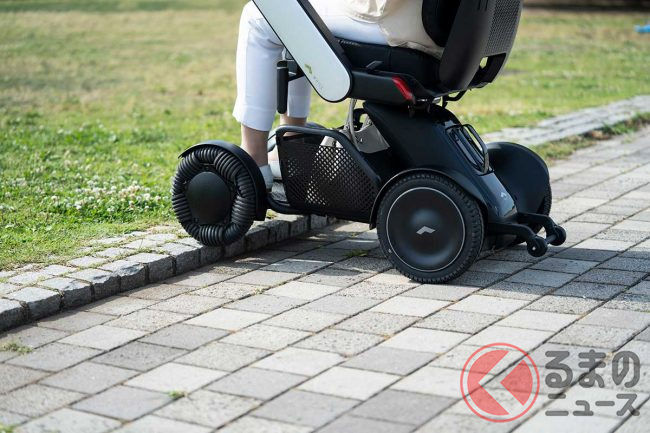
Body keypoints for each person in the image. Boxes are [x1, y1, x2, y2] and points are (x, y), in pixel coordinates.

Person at [233, 0, 443, 189]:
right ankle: (292, 150)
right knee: (294, 11)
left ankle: (253, 158)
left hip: (397, 22)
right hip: (433, 27)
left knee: (259, 15)